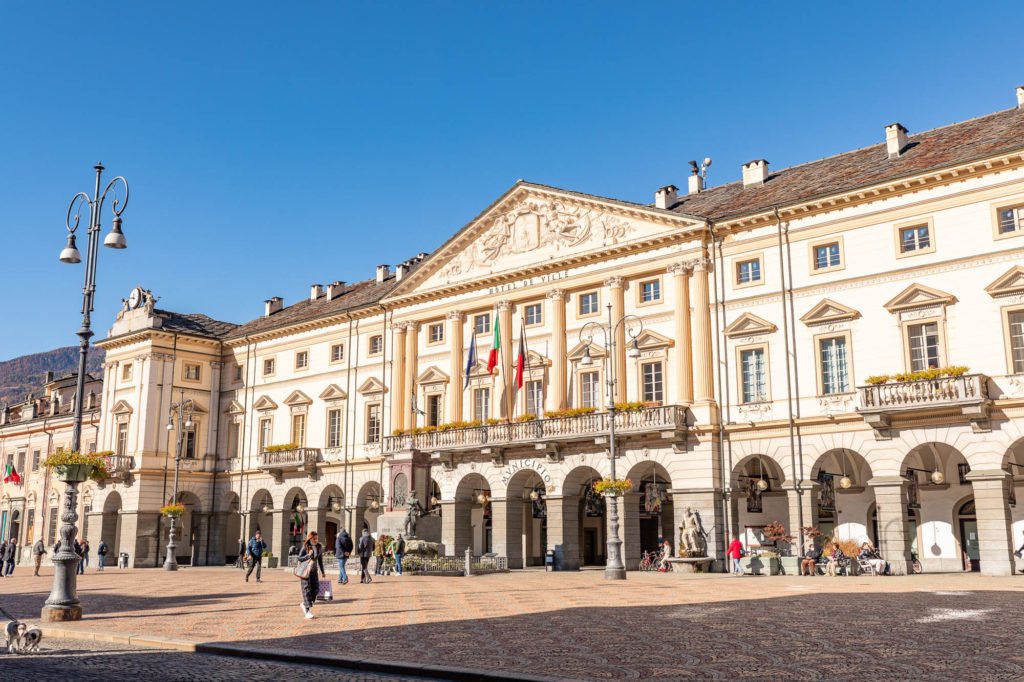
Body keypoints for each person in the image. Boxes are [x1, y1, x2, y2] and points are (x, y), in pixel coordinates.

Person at [297, 531, 325, 619]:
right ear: (310, 538)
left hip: (314, 571)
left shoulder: (318, 547)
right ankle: (307, 611)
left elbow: (320, 560)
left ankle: (305, 604)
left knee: (315, 589)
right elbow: (299, 558)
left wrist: (323, 571)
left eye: (316, 538)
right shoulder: (305, 547)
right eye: (314, 539)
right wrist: (308, 555)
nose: (316, 540)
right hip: (306, 571)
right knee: (307, 590)